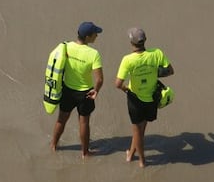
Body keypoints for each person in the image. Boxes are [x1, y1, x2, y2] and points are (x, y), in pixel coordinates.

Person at [115, 27, 174, 167]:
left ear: (131, 42)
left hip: (135, 99)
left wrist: (126, 90)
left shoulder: (128, 60)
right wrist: (153, 73)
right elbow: (170, 71)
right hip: (152, 98)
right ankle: (130, 155)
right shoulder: (156, 53)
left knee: (137, 131)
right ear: (145, 40)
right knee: (140, 130)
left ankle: (142, 161)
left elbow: (118, 84)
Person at [50, 21, 104, 158]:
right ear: (87, 37)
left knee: (61, 119)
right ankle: (85, 153)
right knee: (84, 122)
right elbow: (99, 79)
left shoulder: (66, 47)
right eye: (95, 34)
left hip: (67, 90)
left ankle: (53, 145)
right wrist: (96, 90)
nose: (97, 36)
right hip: (85, 93)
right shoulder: (93, 54)